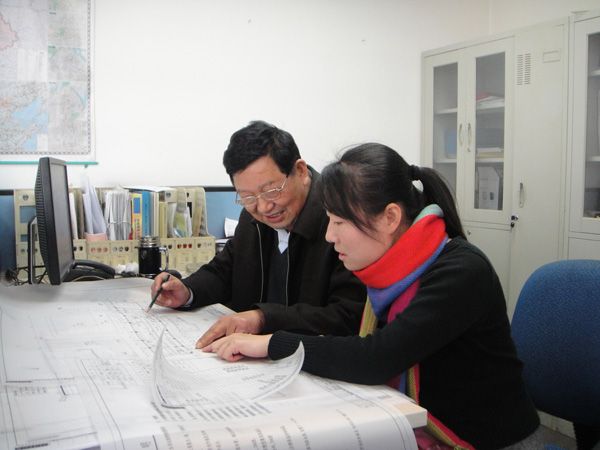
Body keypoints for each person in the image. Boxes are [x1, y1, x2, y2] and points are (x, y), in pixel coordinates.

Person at [201, 143, 541, 449]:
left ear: (390, 217)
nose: (330, 236)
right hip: (412, 424)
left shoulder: (460, 271)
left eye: (339, 223)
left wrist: (270, 343)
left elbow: (377, 357)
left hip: (485, 440)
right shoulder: (387, 270)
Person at [151, 121, 366, 342]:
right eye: (247, 196)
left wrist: (262, 318)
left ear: (300, 171)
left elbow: (347, 315)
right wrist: (187, 291)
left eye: (272, 191)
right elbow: (224, 271)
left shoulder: (341, 220)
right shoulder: (253, 217)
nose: (263, 207)